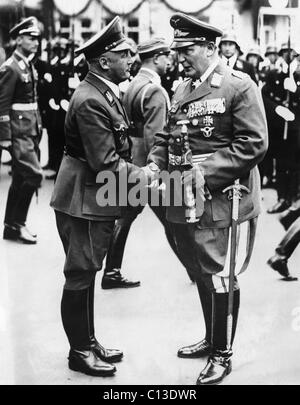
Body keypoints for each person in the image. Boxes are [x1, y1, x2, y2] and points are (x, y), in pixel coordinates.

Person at [147, 13, 268, 385]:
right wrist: (154, 165)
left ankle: (222, 353)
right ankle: (212, 337)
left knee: (218, 275)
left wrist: (204, 173)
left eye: (187, 50)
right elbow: (167, 137)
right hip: (185, 195)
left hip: (220, 195)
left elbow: (253, 143)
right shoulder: (182, 88)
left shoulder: (237, 86)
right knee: (200, 270)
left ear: (210, 48)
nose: (180, 57)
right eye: (178, 50)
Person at [50, 16, 152, 377]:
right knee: (79, 274)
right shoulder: (92, 98)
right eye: (125, 54)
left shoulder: (103, 89)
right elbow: (105, 162)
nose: (131, 59)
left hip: (91, 194)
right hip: (83, 197)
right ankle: (79, 351)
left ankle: (88, 341)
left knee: (89, 270)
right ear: (104, 60)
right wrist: (145, 175)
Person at [102, 38, 194, 289]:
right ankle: (196, 269)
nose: (171, 61)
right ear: (157, 58)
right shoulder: (154, 90)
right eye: (167, 57)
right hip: (150, 167)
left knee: (126, 215)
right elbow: (157, 136)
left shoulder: (133, 85)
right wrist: (163, 172)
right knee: (174, 219)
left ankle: (111, 271)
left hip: (132, 159)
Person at [0, 17, 43, 244]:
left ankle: (11, 226)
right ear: (18, 40)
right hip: (18, 132)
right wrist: (5, 136)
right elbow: (2, 103)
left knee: (19, 177)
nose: (35, 42)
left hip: (30, 129)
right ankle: (18, 223)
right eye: (30, 38)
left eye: (36, 38)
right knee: (33, 175)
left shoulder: (28, 64)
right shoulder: (11, 68)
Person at [263, 44, 300, 214]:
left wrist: (296, 90)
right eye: (284, 52)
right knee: (281, 164)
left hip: (296, 127)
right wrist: (278, 109)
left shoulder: (298, 75)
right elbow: (264, 96)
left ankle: (292, 198)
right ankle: (281, 198)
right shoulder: (274, 74)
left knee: (295, 164)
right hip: (280, 127)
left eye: (291, 52)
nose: (288, 55)